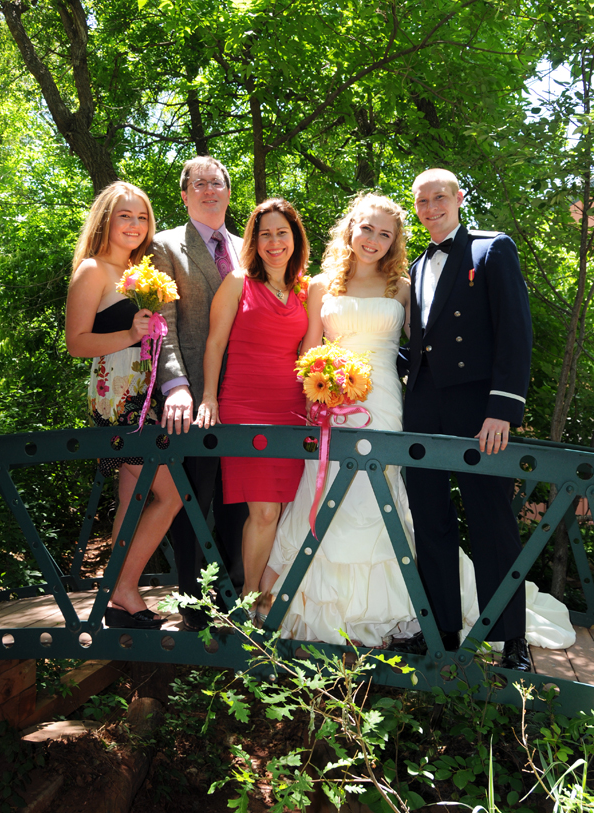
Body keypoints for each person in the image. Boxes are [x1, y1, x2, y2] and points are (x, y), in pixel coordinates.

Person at [261, 192, 575, 657]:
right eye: (366, 228)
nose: (373, 240)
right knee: (343, 498)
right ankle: (392, 618)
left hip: (387, 402)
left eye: (385, 234)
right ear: (350, 227)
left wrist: (495, 403)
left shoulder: (404, 286)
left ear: (395, 242)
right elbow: (308, 350)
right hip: (333, 406)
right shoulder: (320, 286)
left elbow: (436, 345)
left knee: (388, 501)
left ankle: (476, 628)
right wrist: (320, 383)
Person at [399, 168, 534, 671]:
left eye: (439, 198)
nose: (431, 208)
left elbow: (515, 331)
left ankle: (511, 640)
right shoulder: (415, 266)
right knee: (429, 518)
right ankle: (443, 630)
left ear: (458, 198)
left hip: (479, 411)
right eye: (422, 202)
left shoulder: (490, 248)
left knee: (491, 518)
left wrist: (502, 408)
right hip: (424, 408)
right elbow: (424, 347)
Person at [66, 181, 183, 629]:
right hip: (118, 396)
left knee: (134, 496)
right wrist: (133, 334)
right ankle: (123, 586)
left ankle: (119, 593)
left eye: (142, 217)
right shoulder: (93, 270)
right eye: (125, 216)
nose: (135, 225)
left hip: (144, 392)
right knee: (170, 496)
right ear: (106, 221)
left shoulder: (141, 272)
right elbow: (76, 343)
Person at [196, 197, 310, 617]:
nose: (274, 241)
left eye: (282, 232)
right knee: (263, 510)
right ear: (254, 241)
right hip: (245, 406)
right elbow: (215, 343)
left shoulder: (305, 288)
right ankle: (246, 603)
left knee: (282, 512)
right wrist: (209, 397)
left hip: (293, 411)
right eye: (265, 234)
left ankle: (267, 594)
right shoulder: (237, 282)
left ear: (295, 238)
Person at [149, 157, 247, 630]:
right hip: (192, 397)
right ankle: (193, 604)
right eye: (199, 184)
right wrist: (176, 386)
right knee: (196, 495)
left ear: (229, 192)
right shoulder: (165, 245)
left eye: (218, 183)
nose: (210, 190)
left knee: (239, 497)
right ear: (185, 195)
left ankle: (233, 596)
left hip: (246, 394)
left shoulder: (248, 248)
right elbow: (161, 324)